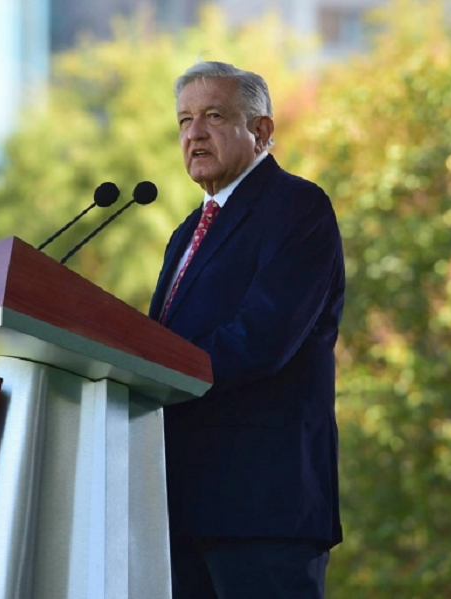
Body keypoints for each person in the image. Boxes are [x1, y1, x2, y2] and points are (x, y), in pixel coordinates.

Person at [147, 61, 345, 599]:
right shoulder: (186, 232)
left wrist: (153, 371)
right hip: (181, 502)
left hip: (263, 501)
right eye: (184, 120)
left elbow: (262, 339)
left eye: (213, 116)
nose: (194, 133)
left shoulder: (297, 207)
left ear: (261, 130)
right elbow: (156, 340)